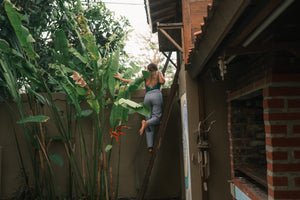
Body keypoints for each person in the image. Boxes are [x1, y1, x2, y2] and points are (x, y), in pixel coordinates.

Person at [114, 63, 165, 152]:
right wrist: (161, 75)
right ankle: (145, 123)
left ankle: (150, 147)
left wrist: (121, 78)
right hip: (156, 94)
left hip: (147, 97)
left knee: (148, 122)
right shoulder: (158, 73)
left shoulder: (145, 75)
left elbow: (134, 81)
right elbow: (162, 82)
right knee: (156, 117)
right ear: (156, 68)